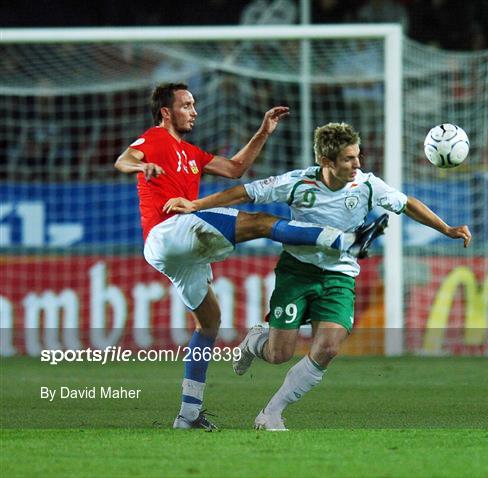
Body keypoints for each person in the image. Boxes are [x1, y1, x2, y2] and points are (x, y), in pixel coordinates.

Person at [165, 122, 472, 431]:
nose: (358, 165)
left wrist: (446, 229)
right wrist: (196, 205)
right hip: (297, 273)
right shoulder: (299, 183)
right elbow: (245, 193)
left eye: (358, 156)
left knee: (328, 348)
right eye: (349, 159)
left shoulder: (367, 185)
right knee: (278, 354)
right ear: (327, 162)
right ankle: (254, 342)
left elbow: (408, 205)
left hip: (339, 276)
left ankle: (272, 412)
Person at [114, 84, 375, 431]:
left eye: (194, 104)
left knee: (209, 323)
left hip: (170, 253)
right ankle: (342, 240)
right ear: (166, 112)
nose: (194, 111)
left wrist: (263, 132)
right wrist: (142, 166)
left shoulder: (191, 153)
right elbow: (124, 159)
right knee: (262, 222)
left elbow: (236, 168)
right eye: (186, 105)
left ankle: (188, 414)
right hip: (170, 228)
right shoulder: (155, 139)